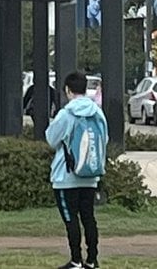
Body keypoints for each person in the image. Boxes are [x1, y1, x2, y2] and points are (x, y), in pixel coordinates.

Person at [45, 71, 108, 269]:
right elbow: (103, 140)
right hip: (90, 175)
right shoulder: (98, 112)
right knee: (88, 216)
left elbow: (51, 139)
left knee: (71, 218)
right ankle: (92, 259)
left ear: (67, 90)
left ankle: (75, 260)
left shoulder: (66, 113)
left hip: (66, 176)